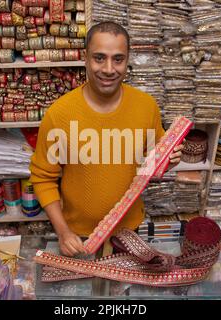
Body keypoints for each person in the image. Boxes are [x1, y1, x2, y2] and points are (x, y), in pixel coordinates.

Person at [29, 22, 183, 257]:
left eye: (118, 59)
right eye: (99, 58)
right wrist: (62, 231)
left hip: (129, 229)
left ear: (127, 60)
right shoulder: (59, 114)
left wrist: (167, 162)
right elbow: (42, 178)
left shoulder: (146, 107)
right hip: (77, 234)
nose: (109, 69)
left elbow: (152, 163)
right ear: (85, 58)